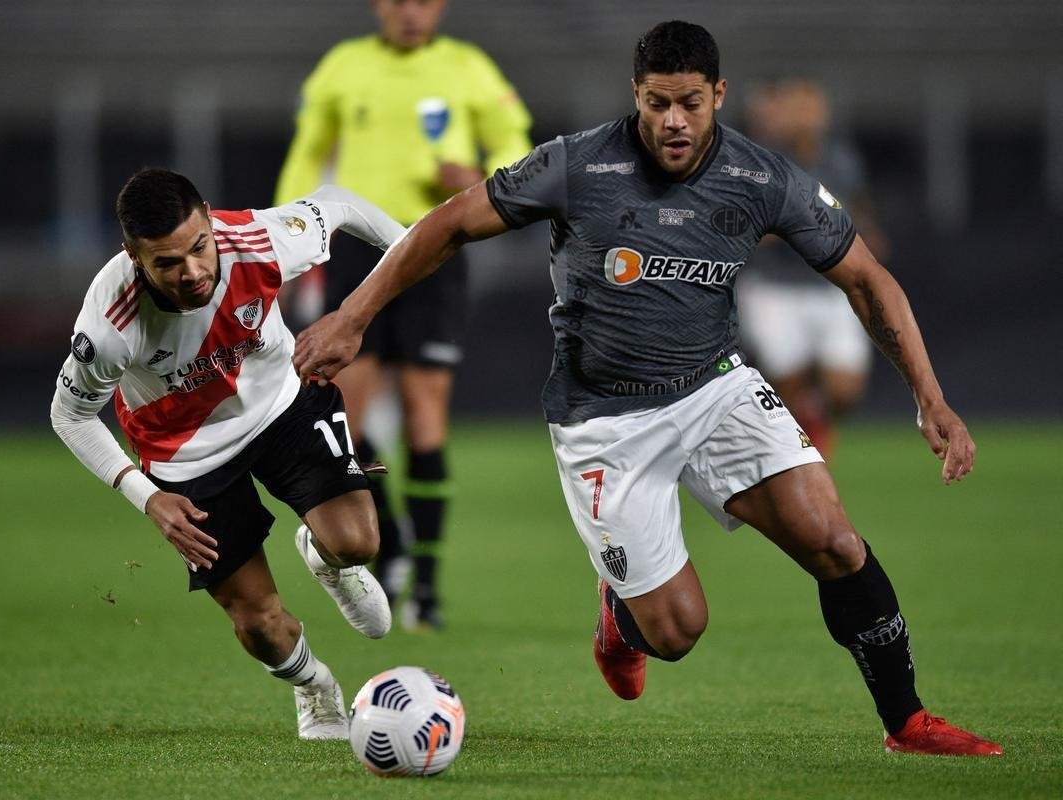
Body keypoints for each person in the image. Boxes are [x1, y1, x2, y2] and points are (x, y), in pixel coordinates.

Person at [291, 22, 1003, 756]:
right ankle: (621, 616)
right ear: (636, 94)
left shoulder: (763, 177)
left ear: (718, 95)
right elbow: (447, 224)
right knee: (677, 632)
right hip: (605, 422)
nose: (673, 121)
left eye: (691, 103)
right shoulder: (575, 166)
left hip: (715, 388)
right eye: (657, 102)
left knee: (835, 541)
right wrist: (353, 315)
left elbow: (866, 278)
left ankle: (907, 722)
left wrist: (930, 394)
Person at [50, 168, 403, 740]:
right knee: (259, 624)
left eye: (198, 247)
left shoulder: (258, 240)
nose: (191, 272)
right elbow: (69, 414)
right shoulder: (109, 327)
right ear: (133, 257)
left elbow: (337, 203)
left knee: (357, 541)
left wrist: (404, 245)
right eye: (166, 263)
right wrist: (148, 498)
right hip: (185, 457)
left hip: (281, 403)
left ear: (211, 220)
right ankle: (315, 687)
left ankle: (324, 556)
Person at [273, 0, 533, 628]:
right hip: (357, 255)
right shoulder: (343, 67)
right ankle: (389, 553)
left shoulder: (469, 68)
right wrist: (281, 243)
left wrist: (478, 174)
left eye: (423, 0)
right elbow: (308, 156)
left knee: (425, 418)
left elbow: (516, 150)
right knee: (349, 422)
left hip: (435, 251)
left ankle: (427, 590)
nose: (411, 11)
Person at [737, 78, 889, 458]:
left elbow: (858, 206)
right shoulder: (763, 161)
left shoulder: (840, 159)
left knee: (846, 389)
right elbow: (746, 224)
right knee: (786, 381)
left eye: (812, 109)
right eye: (797, 109)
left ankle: (814, 421)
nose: (806, 118)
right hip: (776, 286)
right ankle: (794, 454)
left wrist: (869, 232)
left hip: (830, 285)